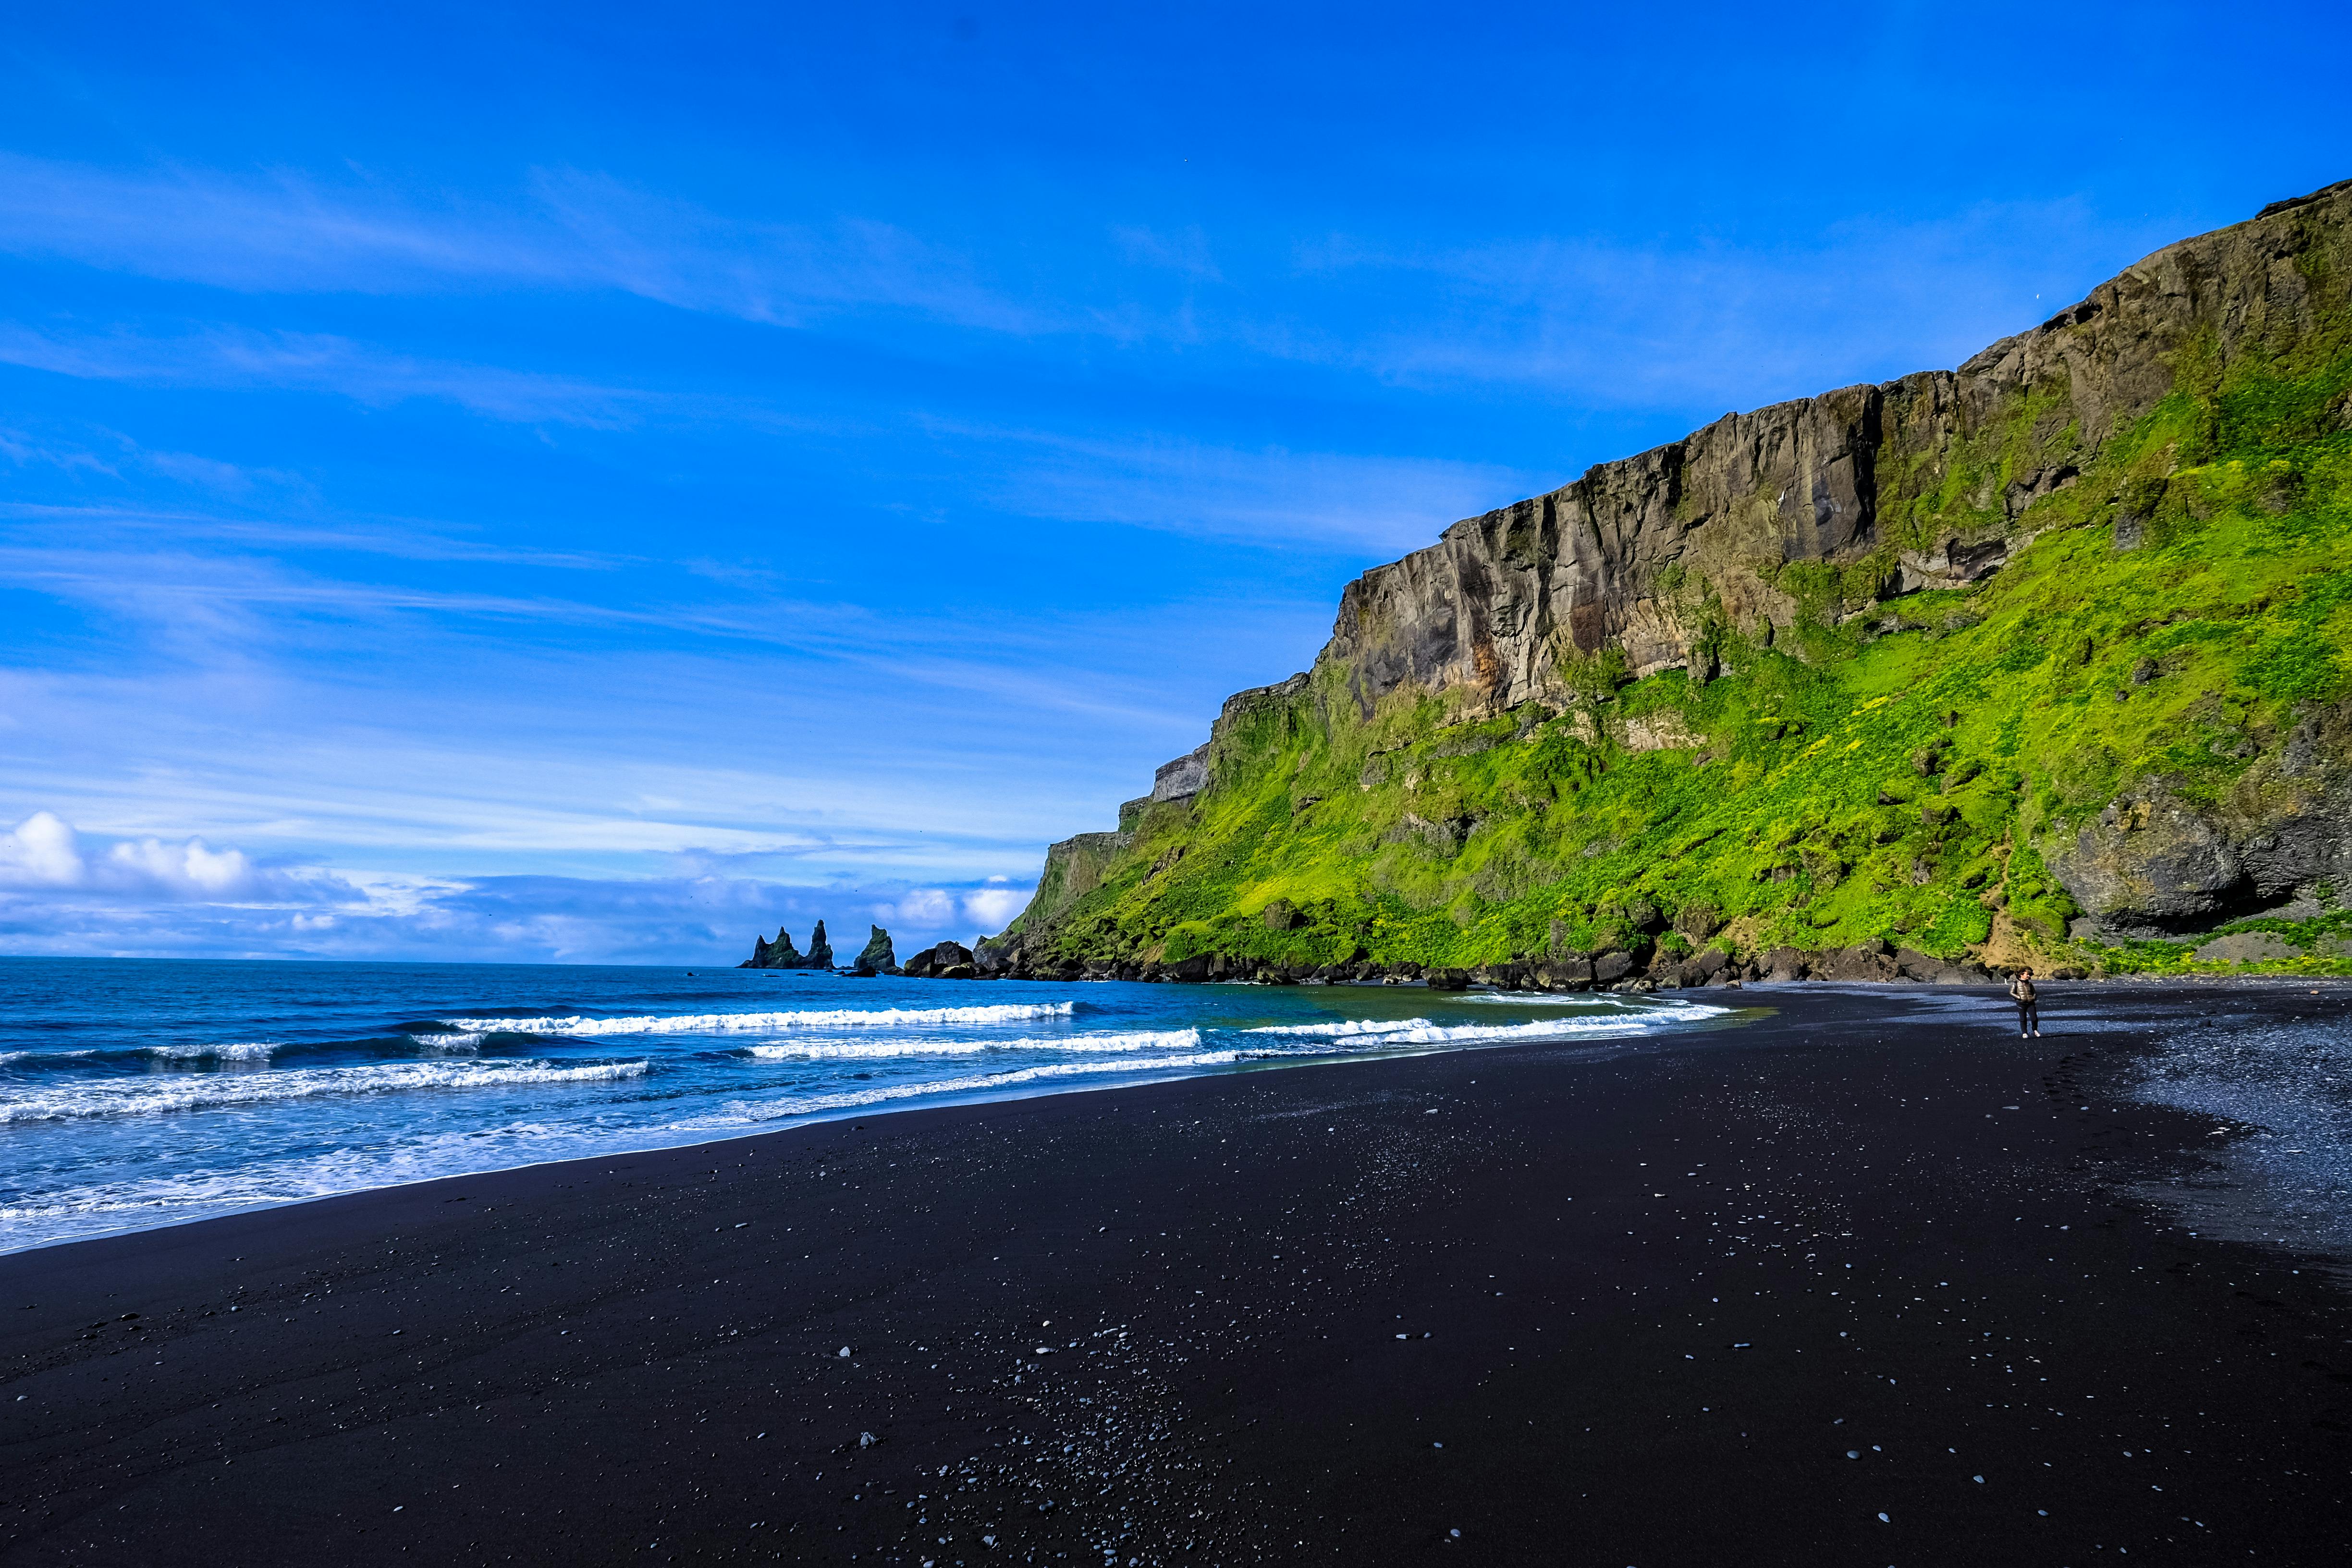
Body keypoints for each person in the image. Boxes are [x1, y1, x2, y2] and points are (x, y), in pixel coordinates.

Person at [2009, 968, 2040, 1038]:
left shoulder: (2030, 984)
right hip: (2021, 1003)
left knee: (2034, 1018)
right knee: (2023, 1019)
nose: (2029, 976)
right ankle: (2024, 1033)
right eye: (2027, 974)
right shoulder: (2016, 983)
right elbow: (2011, 992)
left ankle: (2035, 1030)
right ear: (2021, 975)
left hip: (2031, 1003)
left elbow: (2034, 993)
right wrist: (2019, 998)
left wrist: (2034, 998)